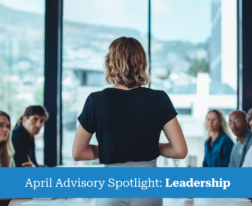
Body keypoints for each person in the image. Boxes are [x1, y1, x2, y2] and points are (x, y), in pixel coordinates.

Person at [72, 37, 188, 206]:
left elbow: (78, 152)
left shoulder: (95, 100)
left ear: (110, 63)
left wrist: (112, 147)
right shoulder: (160, 98)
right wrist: (144, 145)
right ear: (142, 63)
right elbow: (180, 151)